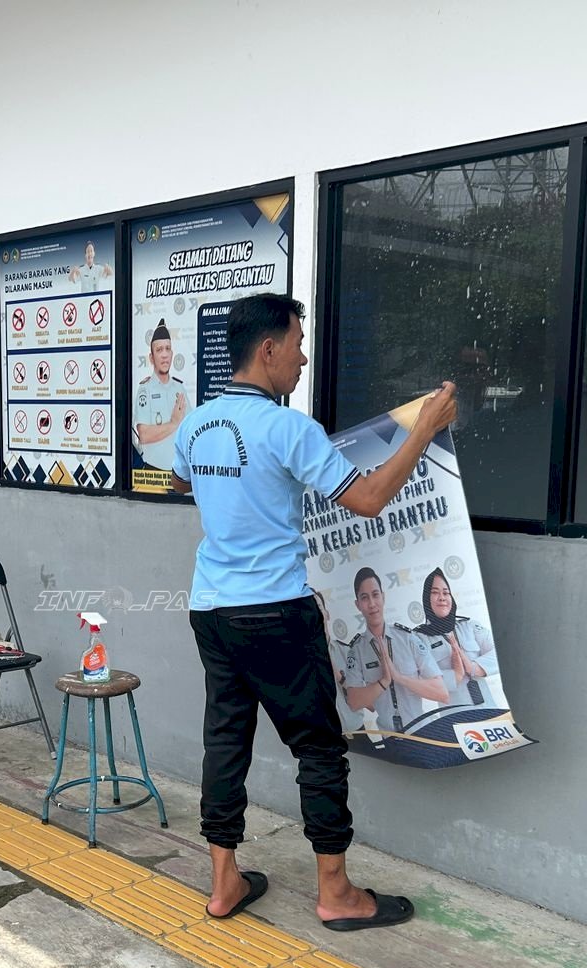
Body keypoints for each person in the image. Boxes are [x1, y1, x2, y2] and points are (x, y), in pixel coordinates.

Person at [170, 292, 456, 931]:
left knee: (226, 738)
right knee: (319, 748)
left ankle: (224, 883)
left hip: (212, 610)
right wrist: (424, 430)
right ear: (266, 349)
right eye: (298, 344)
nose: (302, 359)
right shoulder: (288, 428)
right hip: (274, 612)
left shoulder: (196, 423)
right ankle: (336, 893)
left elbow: (184, 480)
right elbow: (373, 497)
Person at [341, 567, 448, 732]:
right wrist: (383, 682)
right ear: (358, 605)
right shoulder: (356, 651)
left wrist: (399, 677)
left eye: (375, 595)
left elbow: (441, 692)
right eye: (364, 598)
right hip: (390, 741)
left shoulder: (408, 638)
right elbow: (354, 702)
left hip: (422, 733)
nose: (372, 604)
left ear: (383, 597)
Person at [413, 568, 499, 708]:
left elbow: (501, 652)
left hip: (490, 713)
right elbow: (422, 679)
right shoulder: (419, 638)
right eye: (435, 592)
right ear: (426, 599)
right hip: (454, 719)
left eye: (446, 593)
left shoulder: (469, 626)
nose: (442, 597)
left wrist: (473, 667)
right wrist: (455, 676)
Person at [134, 320, 188, 472]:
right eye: (159, 350)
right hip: (154, 473)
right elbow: (143, 435)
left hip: (178, 472)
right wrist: (173, 423)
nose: (164, 355)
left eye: (167, 349)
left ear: (172, 354)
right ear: (151, 358)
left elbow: (190, 426)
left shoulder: (179, 388)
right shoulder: (145, 390)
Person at [311, 588, 366, 734]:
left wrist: (339, 676)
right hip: (327, 741)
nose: (314, 614)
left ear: (327, 614)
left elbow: (367, 700)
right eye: (309, 610)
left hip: (359, 734)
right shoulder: (299, 666)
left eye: (318, 608)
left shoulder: (348, 652)